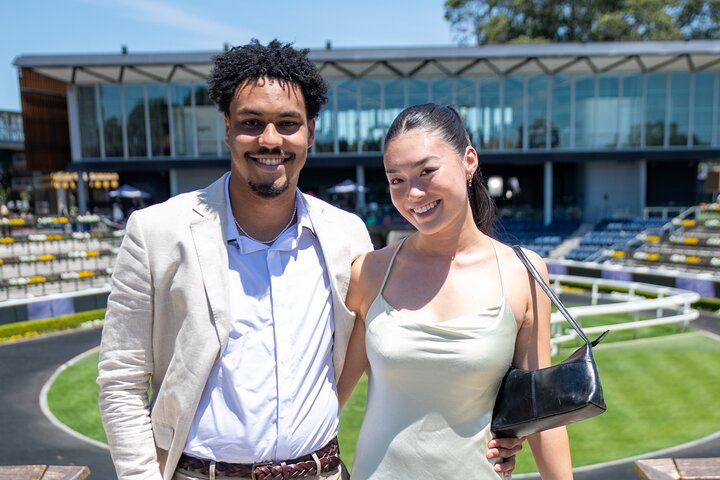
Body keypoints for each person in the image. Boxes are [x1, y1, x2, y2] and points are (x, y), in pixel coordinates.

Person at [97, 40, 521, 480]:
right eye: (251, 123)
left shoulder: (347, 237)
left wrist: (506, 427)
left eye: (287, 123)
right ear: (227, 128)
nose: (269, 139)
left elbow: (421, 355)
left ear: (310, 132)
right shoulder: (156, 232)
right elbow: (120, 380)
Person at [338, 103, 573, 479]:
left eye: (427, 171)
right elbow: (328, 398)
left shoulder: (522, 272)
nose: (413, 193)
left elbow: (543, 414)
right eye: (396, 180)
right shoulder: (369, 271)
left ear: (469, 161)